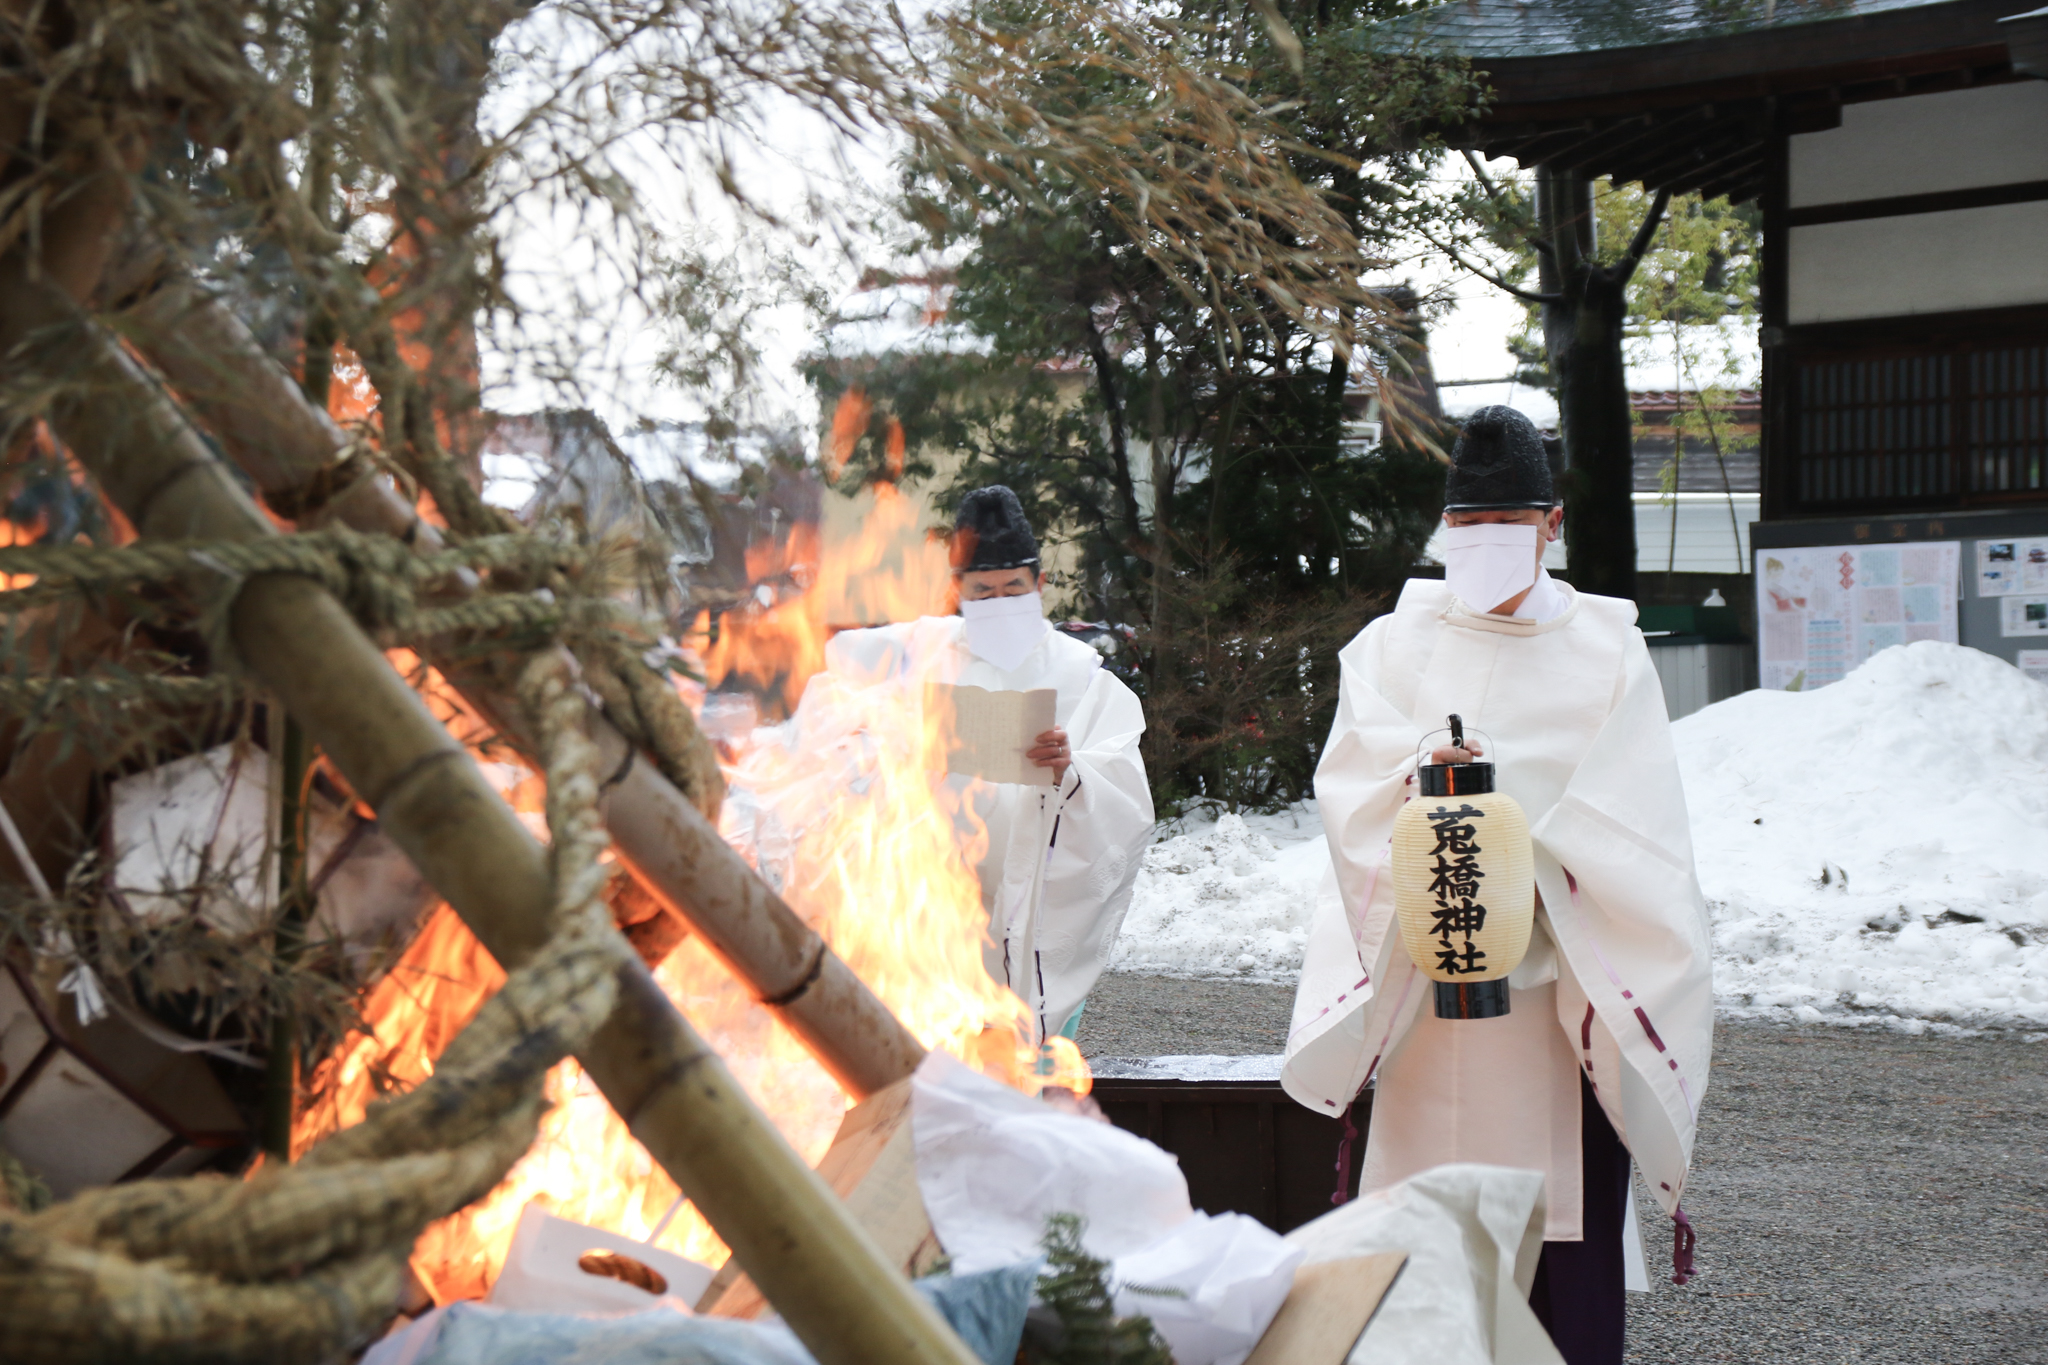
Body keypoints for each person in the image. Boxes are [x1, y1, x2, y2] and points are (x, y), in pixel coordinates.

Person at [1281, 407, 1713, 1365]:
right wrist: (1420, 777)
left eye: (1505, 526)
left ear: (1551, 524)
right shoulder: (1393, 646)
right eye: (1465, 529)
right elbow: (1348, 790)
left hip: (1556, 1003)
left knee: (1558, 1245)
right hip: (1425, 1009)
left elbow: (1635, 826)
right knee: (1421, 1240)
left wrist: (1516, 829)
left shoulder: (1608, 649)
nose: (1482, 547)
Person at [804, 486, 1153, 1043]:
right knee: (935, 1050)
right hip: (935, 900)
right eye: (983, 591)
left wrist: (1071, 769)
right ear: (957, 591)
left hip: (1034, 899)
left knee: (1022, 1052)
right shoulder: (919, 653)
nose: (999, 602)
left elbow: (1124, 788)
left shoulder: (1078, 673)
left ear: (1039, 585)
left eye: (1013, 588)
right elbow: (833, 695)